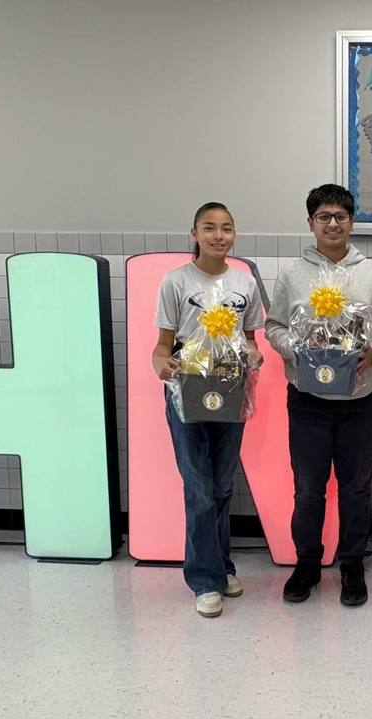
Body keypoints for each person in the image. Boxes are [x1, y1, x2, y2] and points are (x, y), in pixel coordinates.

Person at [264, 184, 372, 607]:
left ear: (352, 222)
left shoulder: (371, 273)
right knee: (308, 488)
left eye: (340, 216)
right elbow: (274, 327)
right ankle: (308, 562)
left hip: (359, 400)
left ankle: (352, 564)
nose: (333, 223)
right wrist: (299, 353)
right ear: (310, 223)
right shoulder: (291, 273)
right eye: (324, 216)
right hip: (307, 400)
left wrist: (371, 353)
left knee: (357, 489)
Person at [152, 202, 264, 618]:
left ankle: (221, 565)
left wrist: (253, 356)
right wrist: (162, 365)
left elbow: (251, 339)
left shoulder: (244, 282)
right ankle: (203, 579)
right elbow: (163, 347)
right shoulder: (176, 281)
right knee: (198, 486)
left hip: (230, 389)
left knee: (220, 485)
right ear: (194, 232)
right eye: (210, 228)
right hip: (188, 390)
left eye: (227, 228)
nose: (219, 235)